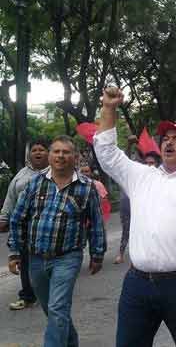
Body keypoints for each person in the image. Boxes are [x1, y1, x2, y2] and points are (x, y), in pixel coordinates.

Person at [94, 86, 176, 346]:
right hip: (138, 284)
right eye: (165, 137)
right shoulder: (141, 176)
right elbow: (107, 155)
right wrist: (109, 109)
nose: (168, 141)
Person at [8, 135, 106, 346]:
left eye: (66, 152)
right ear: (51, 156)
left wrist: (98, 254)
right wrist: (15, 252)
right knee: (52, 310)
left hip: (67, 258)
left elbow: (96, 223)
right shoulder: (35, 184)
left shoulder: (87, 188)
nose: (61, 156)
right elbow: (17, 218)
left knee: (57, 308)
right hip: (35, 258)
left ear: (75, 157)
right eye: (56, 151)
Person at [1, 139, 50, 311]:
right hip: (24, 227)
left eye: (42, 149)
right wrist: (3, 218)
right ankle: (28, 296)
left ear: (48, 153)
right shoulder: (21, 176)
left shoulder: (56, 172)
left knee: (49, 262)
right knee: (25, 261)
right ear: (29, 154)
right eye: (34, 150)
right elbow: (10, 198)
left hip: (49, 227)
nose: (37, 152)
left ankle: (49, 292)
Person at [114, 152, 161, 264]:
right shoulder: (136, 174)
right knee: (126, 230)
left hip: (144, 210)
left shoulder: (159, 178)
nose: (150, 165)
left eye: (152, 163)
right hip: (127, 207)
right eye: (147, 163)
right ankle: (120, 254)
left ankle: (146, 254)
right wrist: (130, 146)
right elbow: (120, 162)